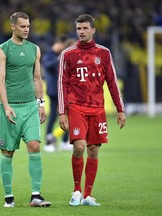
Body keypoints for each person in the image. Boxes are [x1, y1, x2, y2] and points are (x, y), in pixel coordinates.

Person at [58, 14, 126, 206]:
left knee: (94, 150)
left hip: (97, 109)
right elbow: (62, 84)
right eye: (79, 28)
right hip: (76, 107)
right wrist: (62, 112)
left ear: (93, 30)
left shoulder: (104, 53)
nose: (81, 32)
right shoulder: (68, 54)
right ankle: (76, 191)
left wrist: (120, 109)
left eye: (85, 28)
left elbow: (112, 82)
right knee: (79, 147)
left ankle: (88, 195)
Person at [0, 12, 51, 208]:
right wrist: (6, 106)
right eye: (23, 26)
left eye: (28, 26)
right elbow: (0, 80)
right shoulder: (2, 50)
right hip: (10, 109)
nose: (26, 29)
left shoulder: (34, 49)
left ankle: (36, 195)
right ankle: (8, 197)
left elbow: (37, 77)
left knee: (34, 146)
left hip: (30, 107)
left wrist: (41, 103)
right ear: (13, 27)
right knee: (7, 152)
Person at [42, 36, 76, 152]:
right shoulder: (50, 55)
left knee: (69, 116)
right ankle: (48, 142)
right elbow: (47, 66)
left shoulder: (63, 57)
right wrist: (58, 58)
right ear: (57, 44)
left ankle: (64, 141)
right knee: (53, 116)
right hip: (54, 90)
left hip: (64, 91)